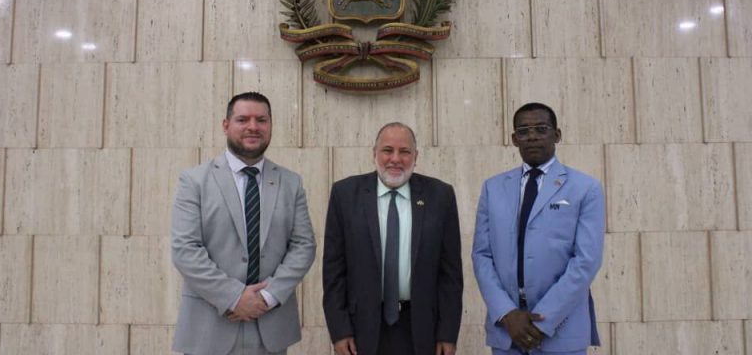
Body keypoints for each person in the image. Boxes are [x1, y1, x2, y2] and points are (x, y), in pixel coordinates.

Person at [171, 92, 316, 355]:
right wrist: (234, 297)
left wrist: (266, 297)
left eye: (261, 120)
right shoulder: (194, 181)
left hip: (270, 327)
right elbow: (185, 250)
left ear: (270, 125)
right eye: (242, 119)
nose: (253, 127)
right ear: (226, 125)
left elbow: (303, 246)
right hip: (209, 329)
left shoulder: (291, 183)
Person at [472, 103, 605, 355]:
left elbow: (586, 261)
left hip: (562, 331)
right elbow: (482, 256)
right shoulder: (493, 188)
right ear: (514, 139)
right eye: (523, 131)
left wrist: (544, 319)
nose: (532, 136)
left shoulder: (585, 188)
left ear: (557, 134)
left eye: (541, 129)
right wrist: (507, 313)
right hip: (507, 332)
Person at [322, 122, 463, 355]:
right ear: (374, 154)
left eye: (404, 151)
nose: (395, 159)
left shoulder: (440, 196)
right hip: (361, 330)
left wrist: (447, 333)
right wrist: (339, 330)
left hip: (422, 329)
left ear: (416, 157)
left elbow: (450, 274)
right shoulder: (344, 194)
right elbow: (333, 271)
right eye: (388, 150)